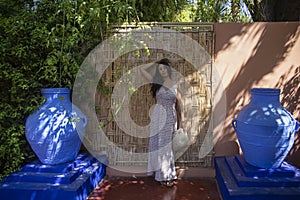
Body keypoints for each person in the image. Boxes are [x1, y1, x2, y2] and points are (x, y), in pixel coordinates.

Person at [140, 58, 184, 188]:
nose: (163, 71)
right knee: (157, 145)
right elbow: (142, 70)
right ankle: (161, 175)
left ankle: (167, 176)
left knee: (165, 147)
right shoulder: (157, 82)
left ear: (168, 70)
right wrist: (155, 63)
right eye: (160, 69)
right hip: (157, 117)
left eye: (164, 68)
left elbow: (180, 105)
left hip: (169, 117)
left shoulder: (176, 84)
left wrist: (183, 122)